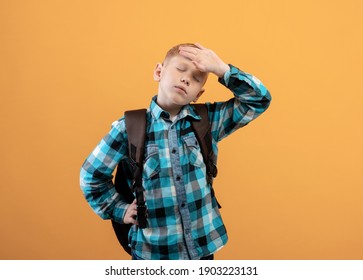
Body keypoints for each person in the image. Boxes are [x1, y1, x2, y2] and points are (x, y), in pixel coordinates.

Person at [80, 43, 271, 260]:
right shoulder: (129, 128)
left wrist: (222, 69)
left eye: (197, 78)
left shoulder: (208, 121)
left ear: (198, 94)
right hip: (152, 254)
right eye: (180, 69)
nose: (186, 78)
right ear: (159, 72)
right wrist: (118, 209)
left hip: (201, 250)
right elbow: (91, 175)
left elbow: (259, 100)